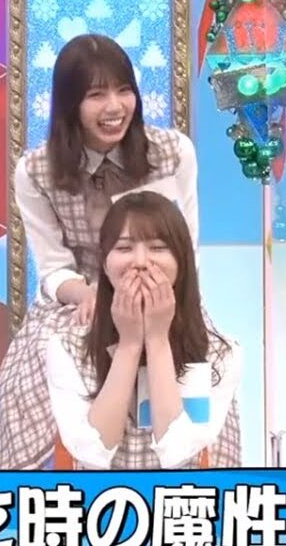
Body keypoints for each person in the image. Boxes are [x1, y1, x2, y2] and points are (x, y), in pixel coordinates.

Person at [0, 33, 201, 469]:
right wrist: (91, 294)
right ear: (70, 105)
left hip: (164, 292)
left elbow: (188, 248)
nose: (114, 107)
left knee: (200, 357)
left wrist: (160, 302)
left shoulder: (172, 153)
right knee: (32, 370)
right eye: (96, 95)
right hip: (81, 298)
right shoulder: (36, 171)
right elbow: (53, 267)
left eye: (124, 90)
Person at [44, 191, 240, 469]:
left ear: (182, 261)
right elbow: (92, 453)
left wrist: (157, 340)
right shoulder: (67, 347)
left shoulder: (220, 354)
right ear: (105, 264)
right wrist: (129, 344)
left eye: (157, 248)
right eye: (124, 248)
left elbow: (177, 452)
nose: (140, 261)